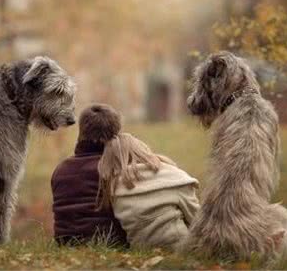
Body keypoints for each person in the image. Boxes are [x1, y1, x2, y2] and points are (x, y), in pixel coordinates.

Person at [97, 132, 200, 250]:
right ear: (141, 149)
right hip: (180, 248)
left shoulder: (113, 189)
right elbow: (197, 220)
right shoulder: (172, 177)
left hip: (140, 250)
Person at [51, 104, 128, 246]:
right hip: (110, 244)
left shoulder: (60, 170)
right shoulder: (115, 170)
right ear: (115, 136)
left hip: (65, 244)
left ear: (81, 132)